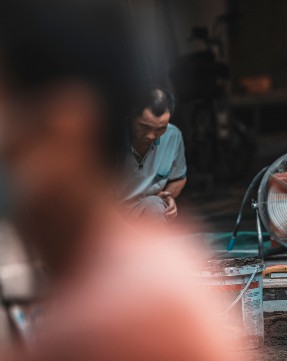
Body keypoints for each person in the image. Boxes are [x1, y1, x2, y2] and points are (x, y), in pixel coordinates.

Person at [0, 1, 239, 360]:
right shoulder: (140, 279)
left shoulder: (118, 315)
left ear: (65, 123)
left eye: (9, 106)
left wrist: (167, 198)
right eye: (147, 129)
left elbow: (178, 178)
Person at [123, 87, 187, 221]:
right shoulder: (108, 137)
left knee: (154, 206)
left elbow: (179, 178)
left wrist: (167, 196)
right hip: (107, 211)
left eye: (161, 129)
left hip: (143, 208)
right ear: (132, 116)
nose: (151, 136)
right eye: (144, 127)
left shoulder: (173, 136)